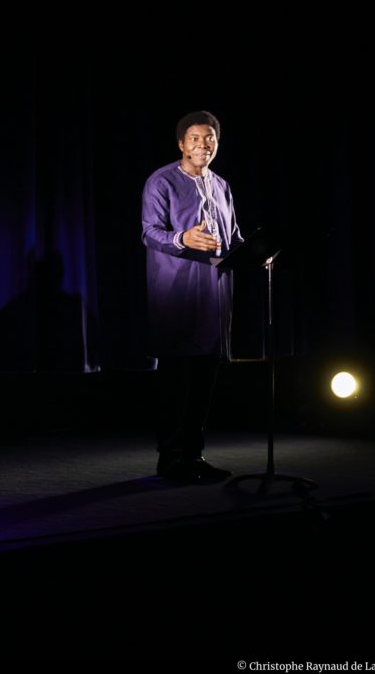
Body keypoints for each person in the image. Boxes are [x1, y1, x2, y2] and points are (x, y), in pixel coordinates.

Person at [141, 111, 243, 482]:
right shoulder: (161, 181)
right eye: (196, 138)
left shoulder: (222, 185)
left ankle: (195, 457)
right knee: (175, 383)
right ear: (182, 143)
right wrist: (182, 238)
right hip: (177, 296)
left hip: (215, 298)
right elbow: (149, 232)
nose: (203, 144)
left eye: (210, 138)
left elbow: (233, 237)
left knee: (204, 382)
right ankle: (169, 459)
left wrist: (257, 254)